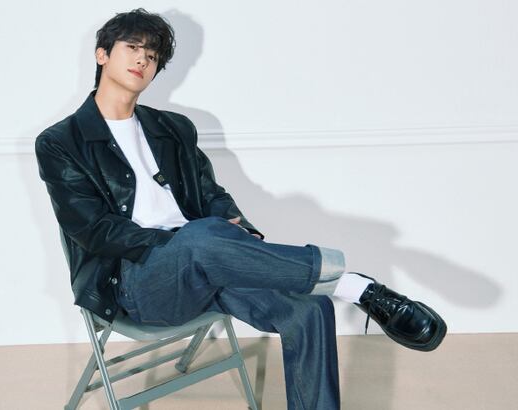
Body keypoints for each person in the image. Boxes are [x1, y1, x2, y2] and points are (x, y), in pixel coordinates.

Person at [35, 8, 446, 410]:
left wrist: (238, 228)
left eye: (153, 55)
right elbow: (95, 231)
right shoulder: (60, 142)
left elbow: (210, 193)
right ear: (102, 54)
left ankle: (327, 296)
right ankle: (350, 284)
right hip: (136, 282)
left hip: (207, 262)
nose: (143, 59)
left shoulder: (172, 128)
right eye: (132, 47)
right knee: (199, 238)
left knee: (309, 308)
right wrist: (186, 243)